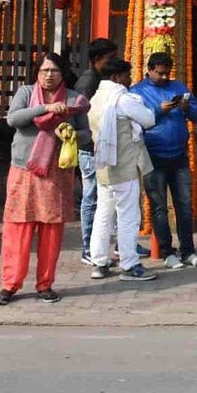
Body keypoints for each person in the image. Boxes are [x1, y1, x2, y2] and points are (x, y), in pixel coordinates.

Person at [0, 53, 89, 305]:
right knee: (17, 227)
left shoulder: (75, 100)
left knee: (51, 229)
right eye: (44, 70)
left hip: (57, 172)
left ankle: (45, 284)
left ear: (63, 73)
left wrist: (70, 132)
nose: (49, 75)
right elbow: (13, 119)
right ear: (36, 73)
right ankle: (9, 285)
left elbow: (87, 134)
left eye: (55, 71)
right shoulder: (25, 93)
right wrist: (45, 108)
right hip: (24, 169)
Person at [132, 52, 197, 269]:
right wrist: (159, 111)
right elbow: (135, 122)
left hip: (179, 156)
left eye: (167, 73)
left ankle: (188, 251)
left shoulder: (179, 88)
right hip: (153, 157)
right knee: (158, 208)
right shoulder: (138, 92)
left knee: (184, 206)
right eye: (160, 73)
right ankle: (168, 253)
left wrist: (187, 108)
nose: (164, 77)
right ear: (150, 69)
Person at [87, 58, 158, 282]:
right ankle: (129, 265)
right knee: (128, 216)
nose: (130, 80)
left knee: (103, 216)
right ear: (116, 77)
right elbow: (148, 119)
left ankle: (99, 263)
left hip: (103, 166)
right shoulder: (122, 99)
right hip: (124, 166)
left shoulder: (97, 97)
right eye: (127, 76)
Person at [73, 38, 115, 264]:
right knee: (91, 199)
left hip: (102, 145)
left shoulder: (101, 78)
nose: (113, 62)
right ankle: (88, 248)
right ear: (98, 59)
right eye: (110, 58)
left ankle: (117, 245)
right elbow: (82, 115)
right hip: (90, 148)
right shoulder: (88, 81)